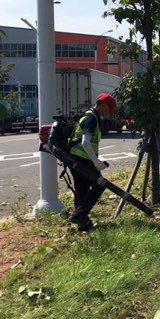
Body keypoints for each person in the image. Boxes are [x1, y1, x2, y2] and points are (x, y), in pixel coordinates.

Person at [67, 92, 117, 232]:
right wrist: (96, 162)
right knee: (99, 184)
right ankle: (79, 215)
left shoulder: (90, 116)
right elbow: (86, 143)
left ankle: (83, 226)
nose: (109, 113)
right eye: (109, 109)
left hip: (76, 159)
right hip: (81, 160)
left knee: (81, 191)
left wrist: (96, 159)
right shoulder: (91, 119)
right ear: (103, 105)